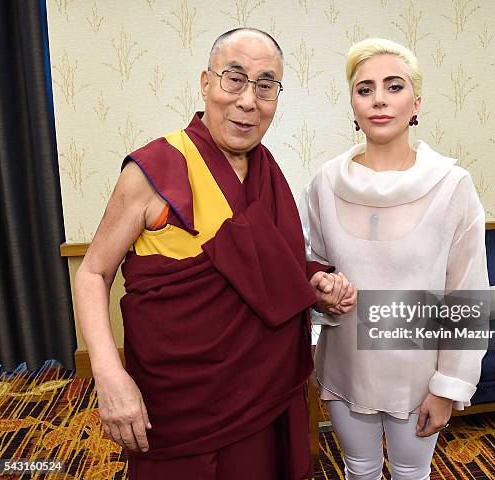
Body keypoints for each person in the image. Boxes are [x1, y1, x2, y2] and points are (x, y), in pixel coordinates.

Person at [73, 28, 356, 480]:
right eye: (235, 79)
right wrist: (109, 376)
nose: (249, 100)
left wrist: (313, 282)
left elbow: (264, 263)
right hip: (181, 399)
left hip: (266, 389)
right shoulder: (154, 169)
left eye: (266, 86)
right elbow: (92, 274)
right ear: (206, 82)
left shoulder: (268, 170)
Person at [300, 38, 489, 480]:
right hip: (345, 365)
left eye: (393, 86)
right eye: (365, 89)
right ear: (352, 104)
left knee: (411, 474)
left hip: (419, 373)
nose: (379, 99)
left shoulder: (451, 186)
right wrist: (321, 290)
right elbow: (313, 268)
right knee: (357, 470)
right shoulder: (325, 183)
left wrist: (448, 388)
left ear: (415, 101)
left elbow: (467, 294)